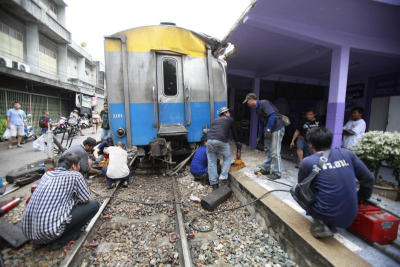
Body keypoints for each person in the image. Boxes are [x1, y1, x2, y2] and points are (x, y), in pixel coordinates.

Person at [298, 127, 374, 238]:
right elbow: (369, 179)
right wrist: (360, 198)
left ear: (310, 144)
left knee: (297, 190)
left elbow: (302, 189)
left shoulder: (307, 162)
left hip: (325, 215)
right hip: (351, 216)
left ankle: (320, 221)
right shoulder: (348, 154)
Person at [22, 153, 100, 249]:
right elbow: (85, 200)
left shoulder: (47, 174)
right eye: (79, 165)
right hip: (48, 234)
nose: (79, 167)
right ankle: (63, 239)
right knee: (94, 205)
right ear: (73, 167)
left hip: (29, 233)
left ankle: (43, 239)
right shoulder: (75, 175)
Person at [243, 93, 285, 180]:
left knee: (275, 151)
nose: (247, 104)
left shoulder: (264, 103)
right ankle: (266, 168)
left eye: (247, 102)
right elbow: (261, 124)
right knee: (267, 149)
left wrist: (268, 129)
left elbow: (272, 115)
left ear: (251, 99)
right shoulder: (257, 109)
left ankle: (277, 173)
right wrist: (259, 136)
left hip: (277, 128)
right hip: (269, 129)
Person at [206, 107, 239, 190]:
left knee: (211, 162)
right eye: (229, 112)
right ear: (226, 112)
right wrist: (237, 142)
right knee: (227, 158)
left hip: (209, 141)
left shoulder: (214, 121)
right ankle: (223, 177)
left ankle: (214, 185)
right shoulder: (230, 119)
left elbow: (212, 131)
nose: (229, 113)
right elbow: (234, 132)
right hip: (221, 140)